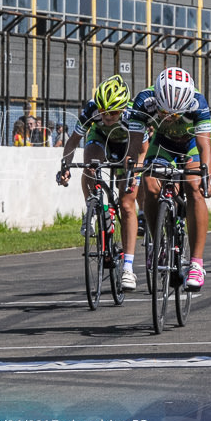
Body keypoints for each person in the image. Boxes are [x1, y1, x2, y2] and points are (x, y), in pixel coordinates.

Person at [127, 67, 211, 291]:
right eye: (165, 113)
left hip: (192, 143)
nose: (170, 117)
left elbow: (204, 145)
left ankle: (196, 263)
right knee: (149, 182)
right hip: (164, 143)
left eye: (176, 114)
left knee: (194, 186)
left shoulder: (197, 102)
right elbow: (135, 144)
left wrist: (206, 178)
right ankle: (158, 241)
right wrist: (131, 171)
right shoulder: (144, 101)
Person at [56, 75, 141, 291]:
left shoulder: (134, 113)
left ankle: (128, 269)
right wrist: (65, 168)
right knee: (91, 166)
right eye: (103, 112)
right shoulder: (91, 110)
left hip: (127, 145)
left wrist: (134, 174)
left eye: (112, 113)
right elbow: (73, 142)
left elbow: (142, 149)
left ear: (122, 108)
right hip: (101, 139)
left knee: (126, 202)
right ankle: (94, 208)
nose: (107, 116)